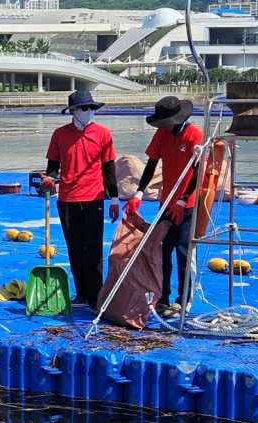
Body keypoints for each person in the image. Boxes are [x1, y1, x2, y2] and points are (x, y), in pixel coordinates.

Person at [41, 90, 120, 308]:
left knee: (93, 247)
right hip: (67, 198)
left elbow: (109, 168)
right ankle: (82, 294)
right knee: (74, 246)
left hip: (93, 196)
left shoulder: (103, 133)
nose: (89, 112)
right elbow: (53, 167)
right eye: (85, 108)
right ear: (74, 111)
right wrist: (50, 179)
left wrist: (114, 198)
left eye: (91, 108)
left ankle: (96, 295)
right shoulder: (60, 134)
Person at [125, 96, 203, 314]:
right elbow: (151, 164)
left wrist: (182, 199)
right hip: (166, 201)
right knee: (163, 248)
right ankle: (163, 296)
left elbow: (199, 171)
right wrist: (139, 193)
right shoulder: (162, 134)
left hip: (187, 203)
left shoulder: (194, 135)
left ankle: (183, 300)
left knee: (182, 250)